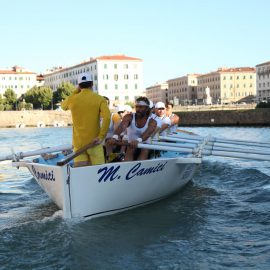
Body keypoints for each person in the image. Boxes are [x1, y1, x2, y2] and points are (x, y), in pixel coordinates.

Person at [61, 72, 110, 167]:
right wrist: (101, 136)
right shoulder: (99, 99)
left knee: (80, 171)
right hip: (94, 142)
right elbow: (107, 117)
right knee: (98, 172)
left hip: (78, 144)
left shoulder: (72, 99)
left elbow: (63, 106)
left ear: (79, 85)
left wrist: (75, 91)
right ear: (92, 84)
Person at [108, 96, 157, 161]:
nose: (138, 109)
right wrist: (115, 137)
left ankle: (140, 168)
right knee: (130, 149)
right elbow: (122, 126)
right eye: (137, 107)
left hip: (144, 144)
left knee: (144, 150)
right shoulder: (129, 117)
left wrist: (138, 140)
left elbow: (147, 133)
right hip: (131, 145)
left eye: (141, 107)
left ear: (147, 108)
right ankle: (127, 166)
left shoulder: (152, 121)